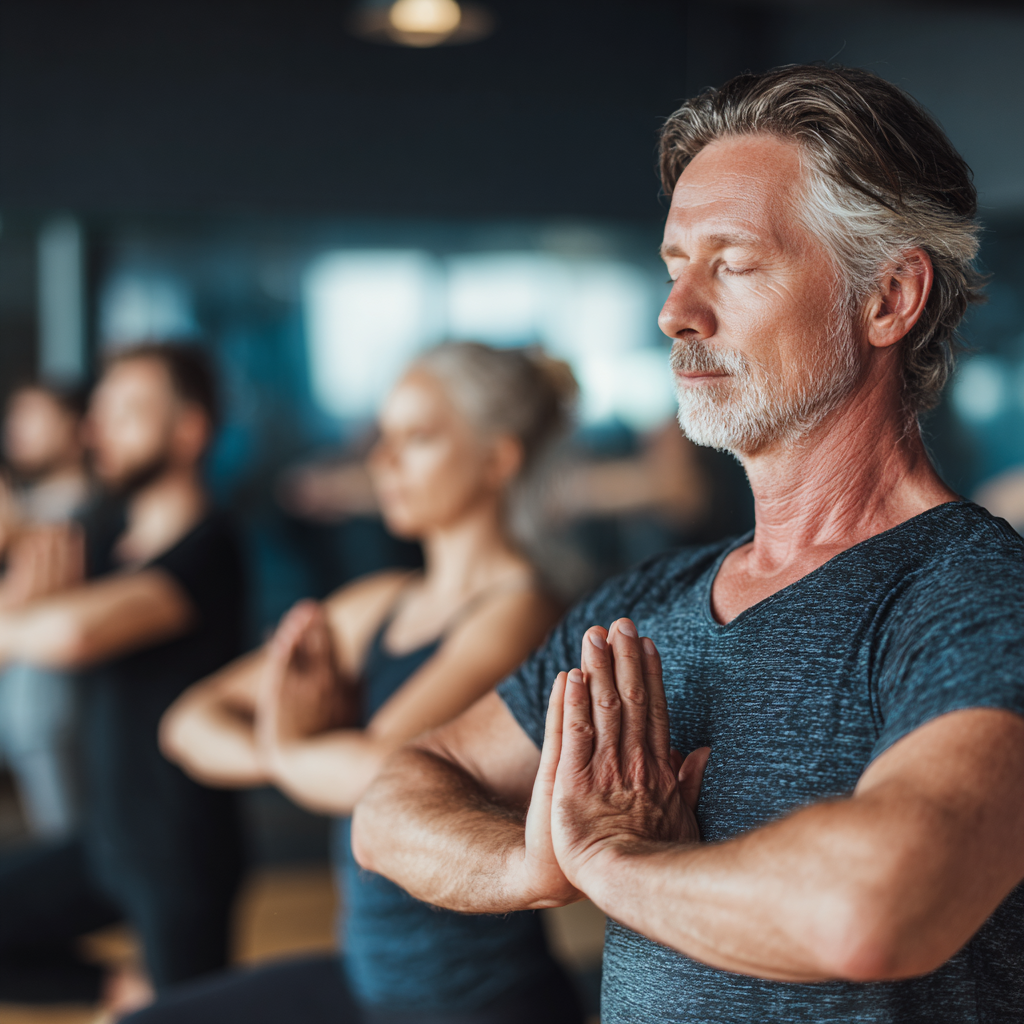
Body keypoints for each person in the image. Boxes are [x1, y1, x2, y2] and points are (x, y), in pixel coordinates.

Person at [352, 65, 1024, 1024]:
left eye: (732, 264)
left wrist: (615, 863)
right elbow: (392, 801)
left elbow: (870, 910)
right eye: (675, 268)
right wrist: (531, 862)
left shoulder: (975, 599)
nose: (676, 314)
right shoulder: (644, 607)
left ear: (888, 299)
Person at [138, 342, 585, 1024]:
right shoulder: (377, 604)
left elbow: (383, 773)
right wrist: (304, 751)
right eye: (384, 438)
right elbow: (189, 723)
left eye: (418, 438)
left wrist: (300, 744)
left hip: (469, 1000)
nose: (383, 462)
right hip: (369, 978)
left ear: (498, 459)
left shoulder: (520, 611)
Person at [0, 344, 245, 1016]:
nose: (95, 430)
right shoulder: (104, 543)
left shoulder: (209, 549)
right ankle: (121, 993)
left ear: (188, 431)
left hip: (178, 854)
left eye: (126, 413)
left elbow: (76, 634)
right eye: (98, 413)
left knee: (188, 1014)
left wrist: (22, 617)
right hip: (104, 839)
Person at [0, 383, 91, 837]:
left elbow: (18, 607)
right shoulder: (29, 511)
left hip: (53, 715)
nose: (15, 429)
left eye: (32, 417)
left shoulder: (82, 514)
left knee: (68, 847)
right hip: (25, 712)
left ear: (77, 430)